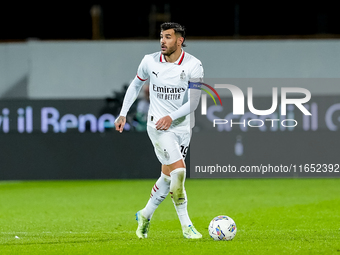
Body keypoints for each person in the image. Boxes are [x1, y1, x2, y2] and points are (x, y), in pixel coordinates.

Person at [114, 22, 203, 239]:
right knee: (179, 172)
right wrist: (123, 113)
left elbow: (193, 103)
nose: (162, 41)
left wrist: (171, 117)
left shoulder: (194, 65)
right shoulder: (149, 61)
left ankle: (144, 214)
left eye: (168, 37)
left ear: (180, 40)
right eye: (161, 37)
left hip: (182, 127)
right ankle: (186, 225)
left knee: (166, 177)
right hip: (158, 127)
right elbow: (136, 84)